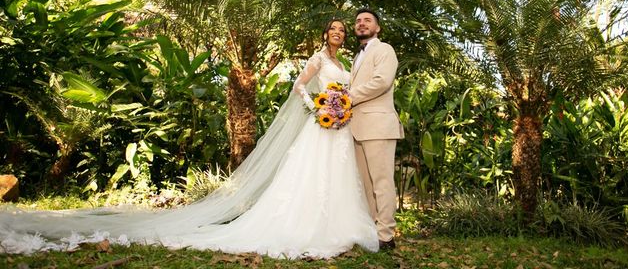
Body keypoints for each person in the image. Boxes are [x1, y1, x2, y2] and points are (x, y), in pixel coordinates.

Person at [0, 19, 378, 259]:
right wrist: (315, 107)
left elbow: (346, 91)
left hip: (339, 130)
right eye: (334, 31)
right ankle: (303, 225)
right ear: (324, 34)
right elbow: (298, 86)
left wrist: (340, 109)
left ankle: (338, 227)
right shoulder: (317, 59)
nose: (338, 35)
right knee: (309, 177)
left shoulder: (344, 65)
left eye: (343, 32)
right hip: (319, 125)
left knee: (337, 178)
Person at [349, 8, 404, 250]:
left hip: (379, 126)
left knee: (382, 183)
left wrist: (347, 97)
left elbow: (382, 82)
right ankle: (373, 229)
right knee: (367, 184)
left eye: (367, 21)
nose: (362, 24)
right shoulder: (356, 56)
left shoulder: (385, 50)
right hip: (358, 128)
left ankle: (386, 236)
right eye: (358, 21)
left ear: (377, 27)